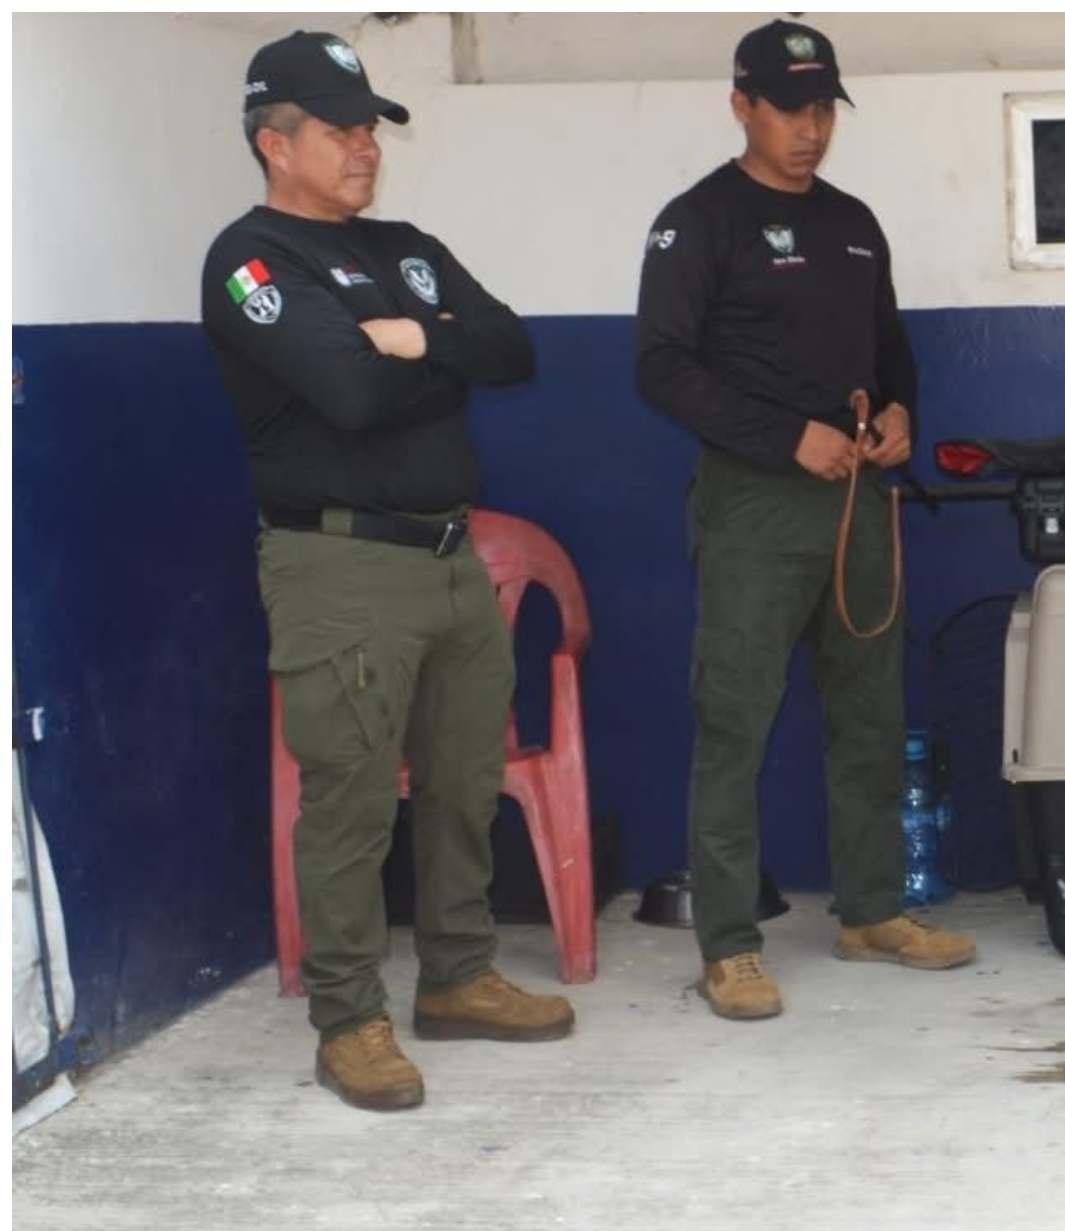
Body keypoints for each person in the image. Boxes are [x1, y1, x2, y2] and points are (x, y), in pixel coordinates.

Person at [201, 30, 574, 1111]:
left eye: (370, 127)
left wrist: (410, 334)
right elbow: (351, 395)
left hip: (452, 557)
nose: (364, 147)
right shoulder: (250, 258)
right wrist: (428, 347)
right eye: (338, 129)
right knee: (350, 802)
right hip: (341, 564)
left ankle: (456, 978)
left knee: (463, 785)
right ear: (276, 143)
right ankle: (350, 1018)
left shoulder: (407, 245)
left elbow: (513, 347)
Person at [635, 20, 973, 1024]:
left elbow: (891, 349)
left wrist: (904, 412)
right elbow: (659, 365)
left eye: (824, 108)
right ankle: (729, 945)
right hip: (757, 502)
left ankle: (872, 911)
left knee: (869, 713)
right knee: (733, 721)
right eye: (790, 108)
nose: (810, 128)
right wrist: (787, 438)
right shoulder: (700, 221)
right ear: (742, 105)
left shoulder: (854, 222)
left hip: (860, 500)